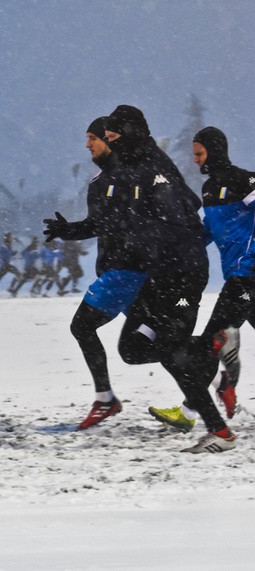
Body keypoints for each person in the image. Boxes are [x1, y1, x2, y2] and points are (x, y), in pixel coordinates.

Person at [103, 105, 233, 453]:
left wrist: (153, 234)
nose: (108, 142)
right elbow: (188, 200)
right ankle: (208, 350)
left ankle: (218, 430)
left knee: (169, 351)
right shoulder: (133, 166)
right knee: (133, 348)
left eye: (113, 136)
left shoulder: (150, 165)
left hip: (182, 273)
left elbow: (178, 206)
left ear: (130, 132)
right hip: (161, 272)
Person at [148, 126, 254, 433]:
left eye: (199, 153)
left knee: (208, 344)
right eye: (194, 154)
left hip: (247, 277)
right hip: (239, 278)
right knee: (209, 345)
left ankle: (189, 412)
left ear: (215, 151)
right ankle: (198, 405)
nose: (195, 160)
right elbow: (209, 229)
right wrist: (177, 248)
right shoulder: (209, 189)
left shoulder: (242, 181)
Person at [44, 116, 147, 430]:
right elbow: (97, 225)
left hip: (125, 273)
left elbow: (118, 224)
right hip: (129, 272)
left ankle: (105, 399)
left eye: (93, 138)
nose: (87, 144)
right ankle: (206, 356)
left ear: (111, 140)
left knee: (82, 327)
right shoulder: (99, 183)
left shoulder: (135, 177)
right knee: (149, 344)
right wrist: (67, 230)